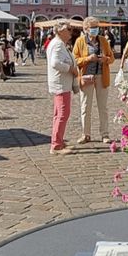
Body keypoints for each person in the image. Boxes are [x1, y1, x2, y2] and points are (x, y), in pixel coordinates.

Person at [72, 16, 113, 144]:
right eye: (93, 27)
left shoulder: (103, 41)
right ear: (86, 29)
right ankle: (86, 134)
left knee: (103, 107)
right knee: (85, 107)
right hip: (86, 77)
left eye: (97, 27)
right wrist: (88, 59)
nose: (95, 30)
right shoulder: (79, 41)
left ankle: (105, 134)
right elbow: (75, 60)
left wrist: (105, 59)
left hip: (102, 76)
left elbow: (111, 58)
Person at [46, 21, 78, 155]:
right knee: (63, 114)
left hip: (60, 83)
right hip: (61, 84)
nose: (70, 32)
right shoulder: (58, 44)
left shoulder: (58, 43)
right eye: (68, 30)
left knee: (58, 114)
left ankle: (57, 140)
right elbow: (55, 63)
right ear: (60, 31)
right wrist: (70, 68)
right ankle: (57, 145)